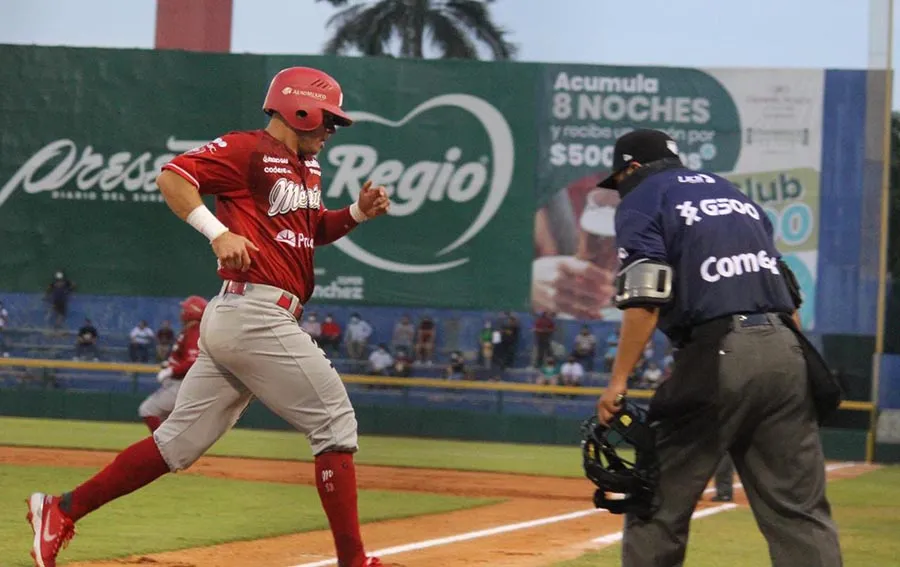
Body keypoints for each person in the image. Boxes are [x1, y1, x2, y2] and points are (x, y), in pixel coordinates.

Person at [26, 66, 389, 567]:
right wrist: (216, 231)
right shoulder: (248, 149)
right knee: (334, 423)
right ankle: (354, 562)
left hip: (244, 316)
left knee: (177, 444)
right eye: (327, 120)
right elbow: (174, 177)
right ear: (298, 108)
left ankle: (61, 509)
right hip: (255, 312)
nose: (331, 131)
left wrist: (358, 213)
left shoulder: (307, 168)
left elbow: (312, 232)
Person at [594, 129, 840, 567]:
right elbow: (785, 289)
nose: (620, 191)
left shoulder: (643, 198)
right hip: (787, 348)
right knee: (799, 513)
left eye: (620, 179)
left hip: (721, 352)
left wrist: (617, 381)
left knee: (654, 502)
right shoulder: (735, 196)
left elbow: (645, 295)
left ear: (631, 168)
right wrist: (795, 357)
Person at [138, 297, 207, 433]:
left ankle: (163, 449)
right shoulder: (191, 329)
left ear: (192, 311)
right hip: (180, 382)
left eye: (185, 309)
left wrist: (171, 371)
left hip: (181, 383)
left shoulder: (195, 331)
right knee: (167, 422)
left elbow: (194, 360)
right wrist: (169, 364)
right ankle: (171, 449)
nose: (182, 312)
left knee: (147, 410)